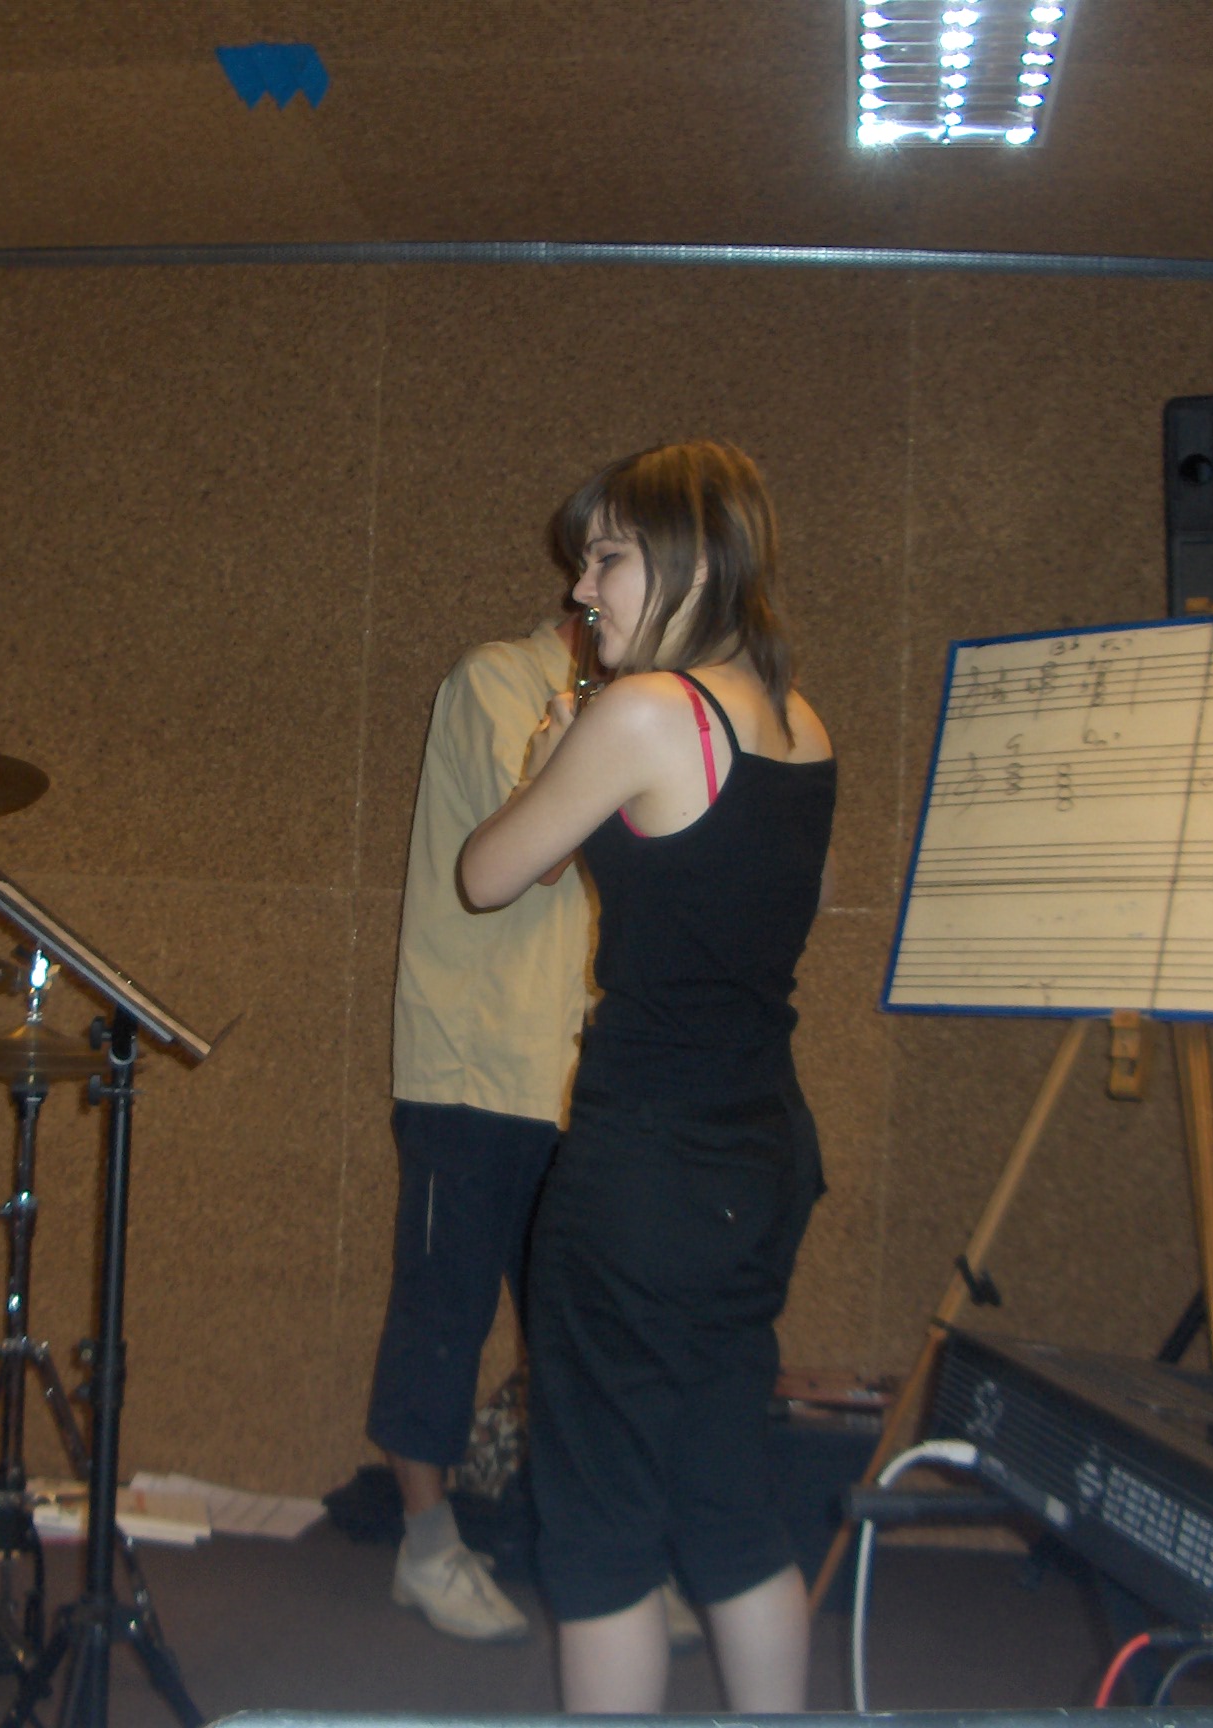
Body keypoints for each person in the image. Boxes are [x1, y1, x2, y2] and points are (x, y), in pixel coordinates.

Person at [460, 440, 836, 1713]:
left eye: (608, 560)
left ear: (693, 562)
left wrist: (552, 758)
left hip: (647, 1169)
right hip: (760, 1156)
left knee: (602, 1523)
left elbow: (488, 873)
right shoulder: (799, 721)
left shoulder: (644, 713)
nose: (581, 592)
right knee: (726, 1495)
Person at [366, 600, 595, 1641]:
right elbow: (536, 850)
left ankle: (600, 1549)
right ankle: (426, 1548)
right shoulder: (497, 682)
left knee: (580, 1331)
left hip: (568, 1071)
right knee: (441, 1316)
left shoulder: (621, 709)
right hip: (469, 1064)